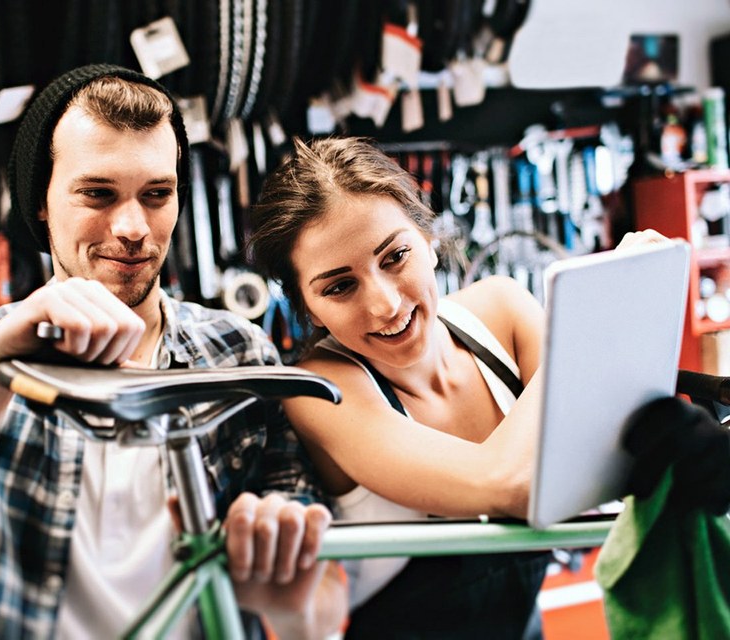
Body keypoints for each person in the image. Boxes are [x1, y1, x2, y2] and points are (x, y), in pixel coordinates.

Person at [249, 136, 730, 638]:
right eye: (340, 286)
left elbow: (600, 463)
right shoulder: (319, 392)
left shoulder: (501, 312)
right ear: (308, 308)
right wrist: (597, 323)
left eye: (394, 257)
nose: (385, 305)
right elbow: (503, 484)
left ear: (430, 240)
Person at [0, 65, 348, 639]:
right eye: (97, 194)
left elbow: (320, 612)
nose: (132, 228)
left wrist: (286, 601)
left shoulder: (238, 355)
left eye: (157, 194)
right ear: (42, 201)